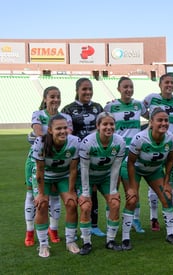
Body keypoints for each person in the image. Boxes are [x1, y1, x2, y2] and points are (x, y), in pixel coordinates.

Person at [24, 86, 73, 247]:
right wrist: (53, 138)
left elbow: (68, 136)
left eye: (58, 96)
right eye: (52, 96)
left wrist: (54, 137)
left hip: (56, 160)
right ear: (45, 99)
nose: (56, 100)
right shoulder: (37, 114)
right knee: (34, 196)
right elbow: (38, 133)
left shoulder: (65, 116)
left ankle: (53, 229)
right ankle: (30, 231)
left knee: (53, 196)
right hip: (36, 160)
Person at [126, 108, 173, 245]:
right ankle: (125, 238)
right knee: (132, 200)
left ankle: (170, 234)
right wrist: (132, 186)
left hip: (154, 170)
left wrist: (167, 182)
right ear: (151, 122)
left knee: (167, 197)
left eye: (166, 120)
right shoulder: (140, 138)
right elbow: (130, 162)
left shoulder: (171, 139)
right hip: (136, 169)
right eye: (159, 120)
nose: (164, 123)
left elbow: (169, 161)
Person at [61, 77, 105, 237]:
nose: (88, 92)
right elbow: (66, 132)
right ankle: (80, 225)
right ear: (77, 90)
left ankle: (93, 224)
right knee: (81, 189)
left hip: (96, 154)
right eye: (84, 89)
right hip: (77, 156)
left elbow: (104, 126)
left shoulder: (98, 107)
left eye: (90, 89)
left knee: (92, 188)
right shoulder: (68, 109)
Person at [104, 76, 148, 234]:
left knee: (132, 187)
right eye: (125, 87)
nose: (128, 89)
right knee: (113, 187)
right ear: (119, 89)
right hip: (116, 151)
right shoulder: (111, 107)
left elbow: (152, 117)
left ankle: (134, 220)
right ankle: (111, 218)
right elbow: (104, 126)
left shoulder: (138, 105)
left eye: (131, 86)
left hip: (134, 152)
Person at [78, 112, 126, 255]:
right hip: (88, 176)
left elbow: (116, 168)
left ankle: (110, 240)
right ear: (98, 126)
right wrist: (86, 193)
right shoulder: (87, 142)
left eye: (111, 124)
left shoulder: (120, 142)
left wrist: (113, 191)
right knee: (86, 207)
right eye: (105, 124)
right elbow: (84, 169)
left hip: (105, 176)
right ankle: (86, 242)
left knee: (115, 203)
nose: (108, 127)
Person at [32, 114, 80, 257]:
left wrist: (71, 192)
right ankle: (43, 244)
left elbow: (73, 169)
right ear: (51, 130)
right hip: (44, 177)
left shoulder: (74, 141)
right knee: (42, 205)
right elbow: (40, 171)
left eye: (65, 128)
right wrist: (41, 194)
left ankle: (70, 241)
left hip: (63, 176)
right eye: (58, 128)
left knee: (71, 203)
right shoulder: (40, 142)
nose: (63, 131)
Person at [143, 73, 173, 231]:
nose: (169, 85)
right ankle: (153, 217)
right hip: (156, 144)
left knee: (170, 183)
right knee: (154, 184)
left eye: (172, 82)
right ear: (160, 84)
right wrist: (152, 122)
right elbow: (140, 109)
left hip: (171, 145)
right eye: (166, 82)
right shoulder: (151, 98)